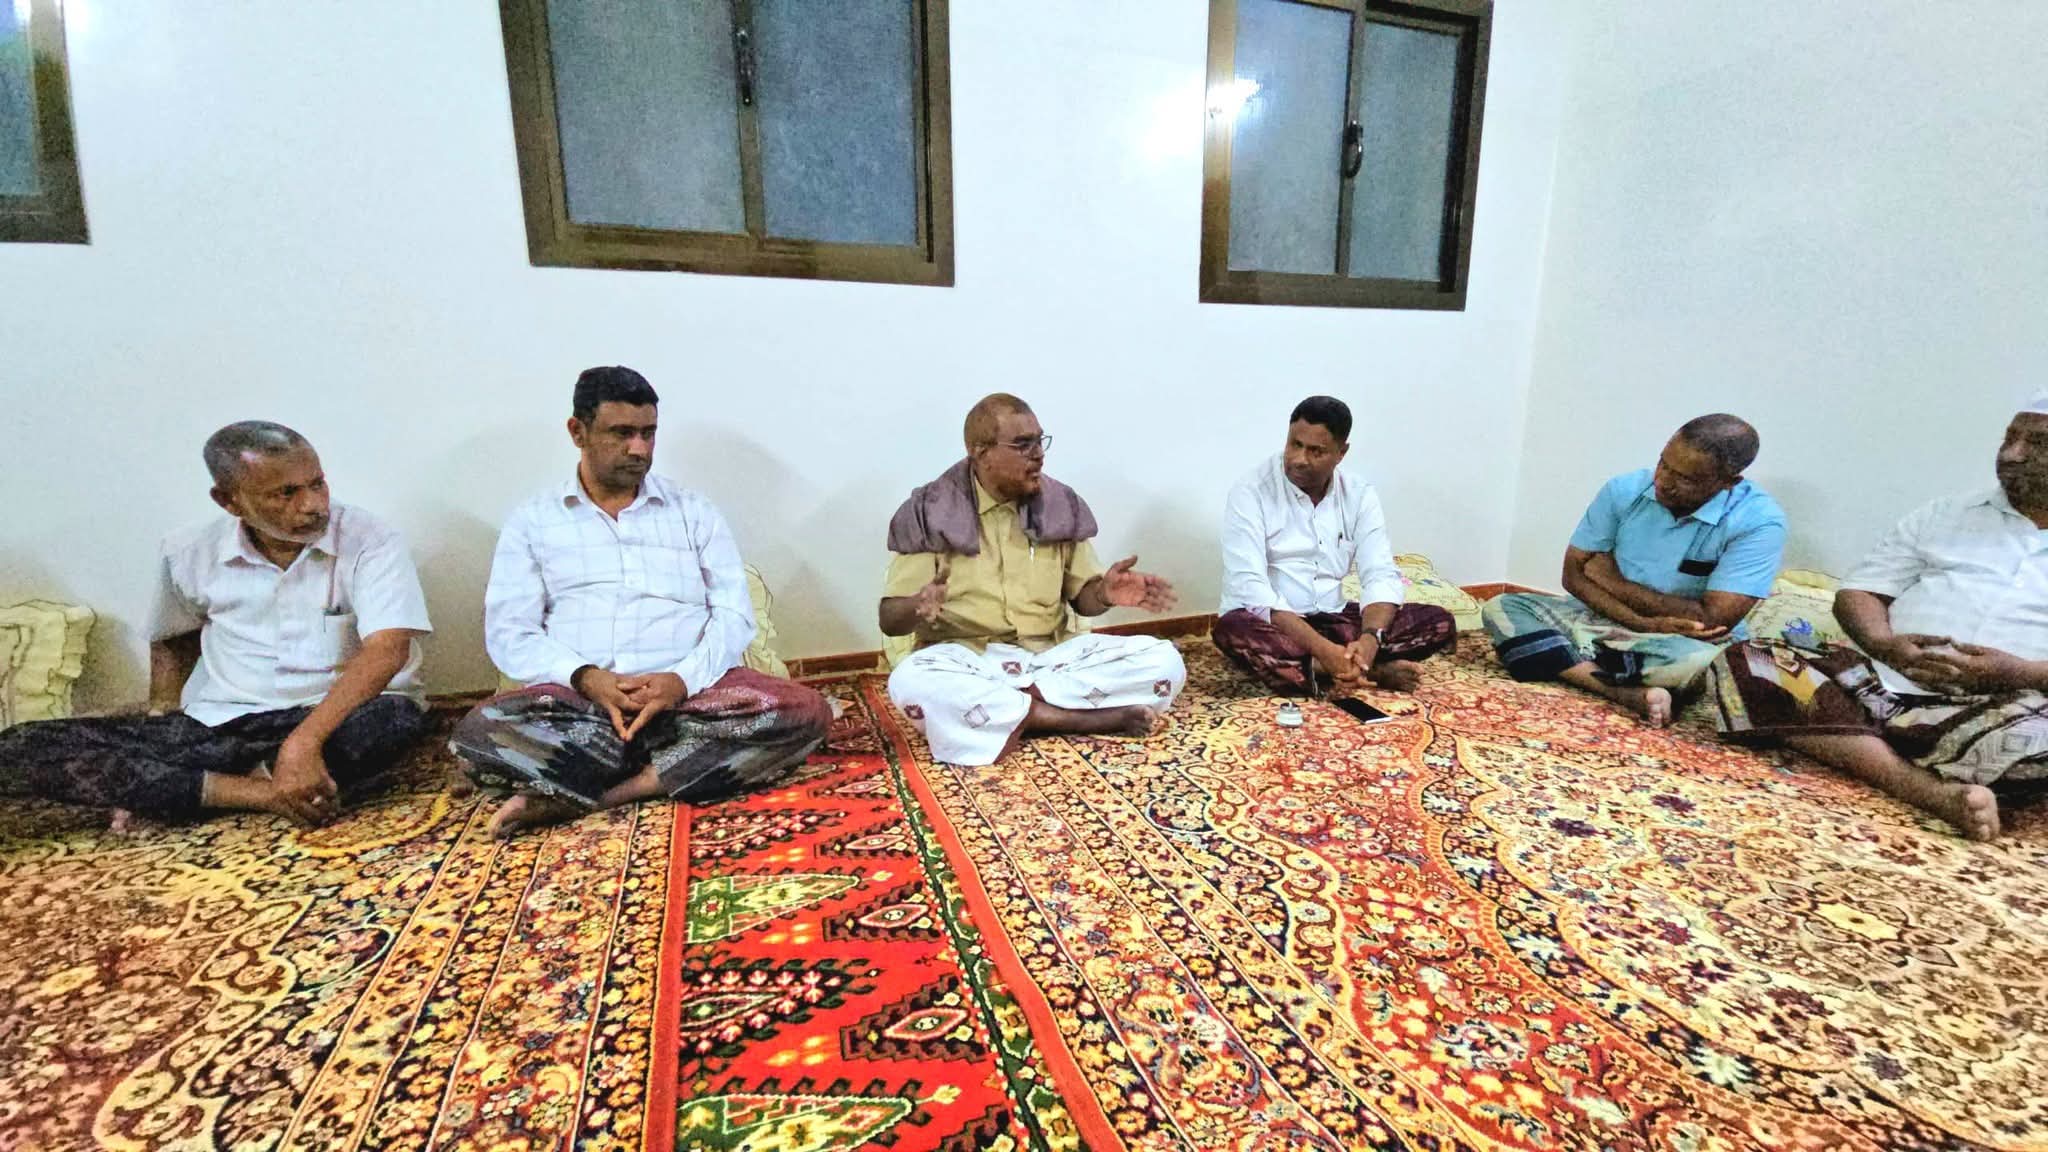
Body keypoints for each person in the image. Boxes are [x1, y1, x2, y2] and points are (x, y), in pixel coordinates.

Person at [452, 366, 830, 837]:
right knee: (477, 730)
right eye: (622, 433)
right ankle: (674, 764)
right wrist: (588, 678)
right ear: (577, 432)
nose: (640, 449)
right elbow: (510, 632)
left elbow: (733, 616)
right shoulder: (533, 522)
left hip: (691, 702)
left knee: (806, 712)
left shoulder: (693, 512)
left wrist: (681, 681)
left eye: (648, 433)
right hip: (582, 705)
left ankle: (613, 787)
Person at [0, 422, 431, 826]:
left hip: (333, 717)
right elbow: (175, 637)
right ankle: (263, 792)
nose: (312, 505)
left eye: (316, 484)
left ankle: (189, 789)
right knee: (17, 747)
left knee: (393, 720)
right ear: (229, 501)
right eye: (285, 494)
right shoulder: (189, 551)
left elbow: (386, 650)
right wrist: (162, 713)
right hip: (225, 722)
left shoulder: (370, 540)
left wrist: (303, 742)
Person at [1707, 395, 2048, 841]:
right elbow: (1860, 591)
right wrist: (1886, 645)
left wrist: (2018, 672)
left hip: (2005, 709)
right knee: (1750, 661)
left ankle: (1853, 742)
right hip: (1876, 686)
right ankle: (1922, 786)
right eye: (2009, 438)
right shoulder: (1947, 514)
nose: (2012, 454)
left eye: (2038, 443)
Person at [881, 393, 1186, 765]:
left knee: (1164, 661)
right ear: (980, 452)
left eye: (1040, 441)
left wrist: (1105, 593)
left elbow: (1083, 600)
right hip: (968, 661)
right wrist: (917, 606)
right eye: (1022, 445)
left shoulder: (1059, 504)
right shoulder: (930, 512)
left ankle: (1015, 714)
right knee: (911, 681)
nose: (1038, 454)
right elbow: (890, 620)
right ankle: (1074, 718)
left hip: (1050, 659)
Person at [1483, 414, 1785, 726]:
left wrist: (1613, 581)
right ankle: (1621, 690)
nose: (1663, 481)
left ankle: (1566, 658)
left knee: (1714, 665)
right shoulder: (1624, 490)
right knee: (1503, 607)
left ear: (1728, 482)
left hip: (1682, 642)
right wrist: (1640, 622)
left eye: (1686, 478)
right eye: (1663, 463)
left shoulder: (1759, 521)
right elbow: (1572, 576)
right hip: (1604, 617)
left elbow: (1712, 620)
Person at [1213, 396, 1456, 695]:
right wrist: (1324, 650)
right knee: (1232, 629)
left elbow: (1379, 574)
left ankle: (1327, 666)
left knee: (1438, 622)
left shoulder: (1359, 494)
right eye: (1294, 444)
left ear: (1341, 453)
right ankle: (1369, 671)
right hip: (1276, 623)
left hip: (1335, 617)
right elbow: (1252, 589)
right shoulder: (1251, 492)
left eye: (1316, 451)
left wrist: (1369, 640)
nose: (1299, 459)